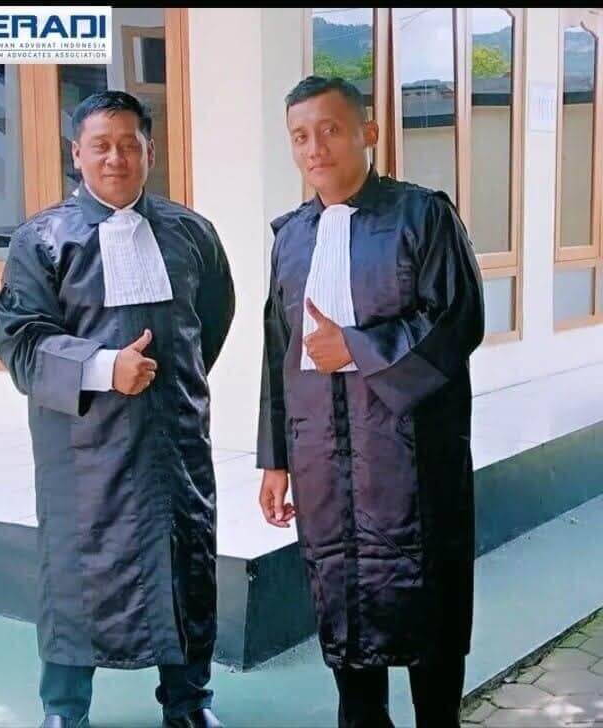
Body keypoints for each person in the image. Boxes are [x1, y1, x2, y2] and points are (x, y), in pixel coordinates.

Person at [0, 90, 234, 728]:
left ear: (150, 151)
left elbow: (211, 320)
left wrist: (170, 384)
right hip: (84, 452)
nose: (116, 158)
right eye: (101, 145)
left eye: (130, 144)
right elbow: (20, 340)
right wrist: (103, 367)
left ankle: (189, 703)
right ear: (76, 154)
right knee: (75, 583)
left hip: (174, 441)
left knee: (185, 570)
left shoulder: (190, 233)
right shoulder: (42, 240)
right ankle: (64, 710)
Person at [256, 75, 485, 728]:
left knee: (428, 610)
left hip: (410, 459)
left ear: (369, 133)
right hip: (321, 460)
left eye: (330, 129)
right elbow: (278, 353)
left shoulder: (423, 216)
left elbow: (458, 318)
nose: (315, 148)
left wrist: (356, 347)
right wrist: (275, 460)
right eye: (300, 136)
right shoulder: (291, 238)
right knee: (343, 606)